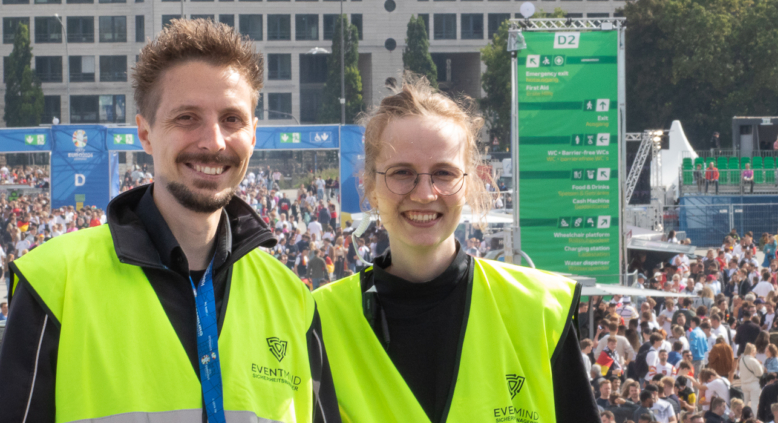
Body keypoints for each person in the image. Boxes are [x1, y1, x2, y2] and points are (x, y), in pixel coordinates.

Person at [0, 19, 338, 422]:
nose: (213, 142)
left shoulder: (292, 299)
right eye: (186, 118)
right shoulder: (55, 282)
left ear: (253, 134)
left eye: (232, 119)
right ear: (145, 133)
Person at [311, 73, 598, 421]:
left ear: (469, 183)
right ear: (369, 186)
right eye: (402, 172)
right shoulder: (319, 320)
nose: (425, 193)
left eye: (444, 173)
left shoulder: (539, 310)